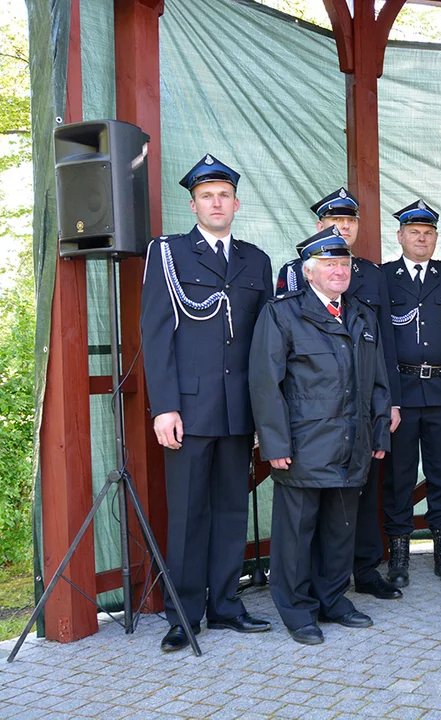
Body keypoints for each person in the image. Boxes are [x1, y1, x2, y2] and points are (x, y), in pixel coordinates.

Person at [140, 154, 273, 652]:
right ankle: (183, 614)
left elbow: (265, 346)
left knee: (231, 512)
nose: (216, 203)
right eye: (206, 196)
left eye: (224, 195)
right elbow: (156, 336)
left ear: (235, 204)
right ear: (193, 204)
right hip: (188, 411)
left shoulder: (255, 261)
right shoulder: (168, 254)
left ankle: (225, 606)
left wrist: (264, 412)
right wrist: (164, 407)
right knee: (189, 513)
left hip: (239, 410)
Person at [249, 227, 392, 645]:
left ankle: (332, 598)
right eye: (329, 264)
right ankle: (297, 610)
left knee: (340, 528)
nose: (338, 271)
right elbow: (265, 384)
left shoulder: (362, 315)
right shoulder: (282, 313)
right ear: (308, 272)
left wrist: (379, 432)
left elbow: (378, 381)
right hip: (303, 445)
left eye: (344, 264)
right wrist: (274, 443)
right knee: (295, 534)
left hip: (353, 442)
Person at [275, 186, 403, 601]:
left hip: (358, 417)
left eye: (350, 223)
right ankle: (306, 595)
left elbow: (382, 349)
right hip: (311, 422)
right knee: (310, 511)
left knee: (355, 504)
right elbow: (276, 363)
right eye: (335, 222)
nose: (343, 229)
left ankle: (356, 578)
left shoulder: (370, 276)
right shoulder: (292, 281)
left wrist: (387, 409)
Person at [381, 200, 441, 586]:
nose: (421, 239)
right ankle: (399, 553)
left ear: (435, 238)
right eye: (414, 233)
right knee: (399, 476)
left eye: (428, 234)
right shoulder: (383, 278)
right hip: (401, 394)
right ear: (401, 236)